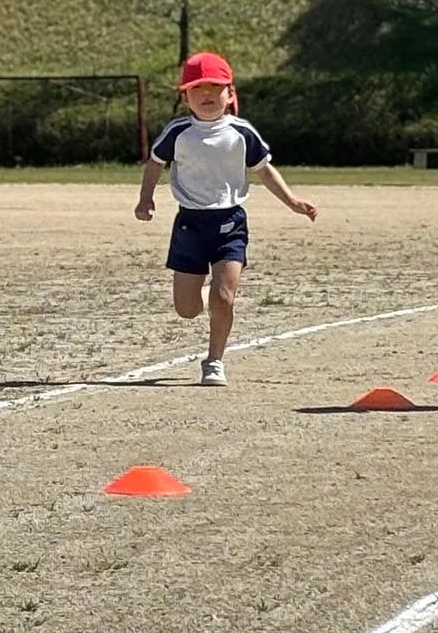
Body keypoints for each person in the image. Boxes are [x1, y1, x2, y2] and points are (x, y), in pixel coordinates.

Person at [136, 51, 317, 386]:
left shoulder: (241, 132)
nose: (206, 94)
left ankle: (214, 361)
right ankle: (207, 291)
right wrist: (145, 198)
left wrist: (292, 201)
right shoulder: (178, 132)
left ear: (230, 93)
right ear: (185, 96)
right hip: (190, 224)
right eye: (197, 88)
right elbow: (155, 163)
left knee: (223, 297)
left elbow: (264, 170)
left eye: (215, 87)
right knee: (187, 309)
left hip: (230, 223)